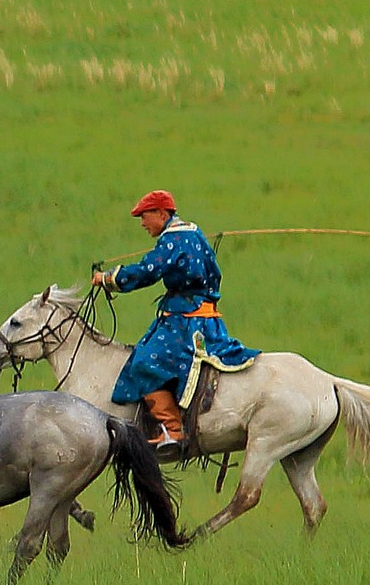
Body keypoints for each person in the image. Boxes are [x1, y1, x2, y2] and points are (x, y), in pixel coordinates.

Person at [91, 190, 257, 450]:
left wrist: (109, 279)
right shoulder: (191, 233)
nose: (143, 224)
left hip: (187, 322)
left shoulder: (174, 239)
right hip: (202, 316)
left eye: (145, 217)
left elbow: (148, 271)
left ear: (161, 213)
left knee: (145, 362)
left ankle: (172, 428)